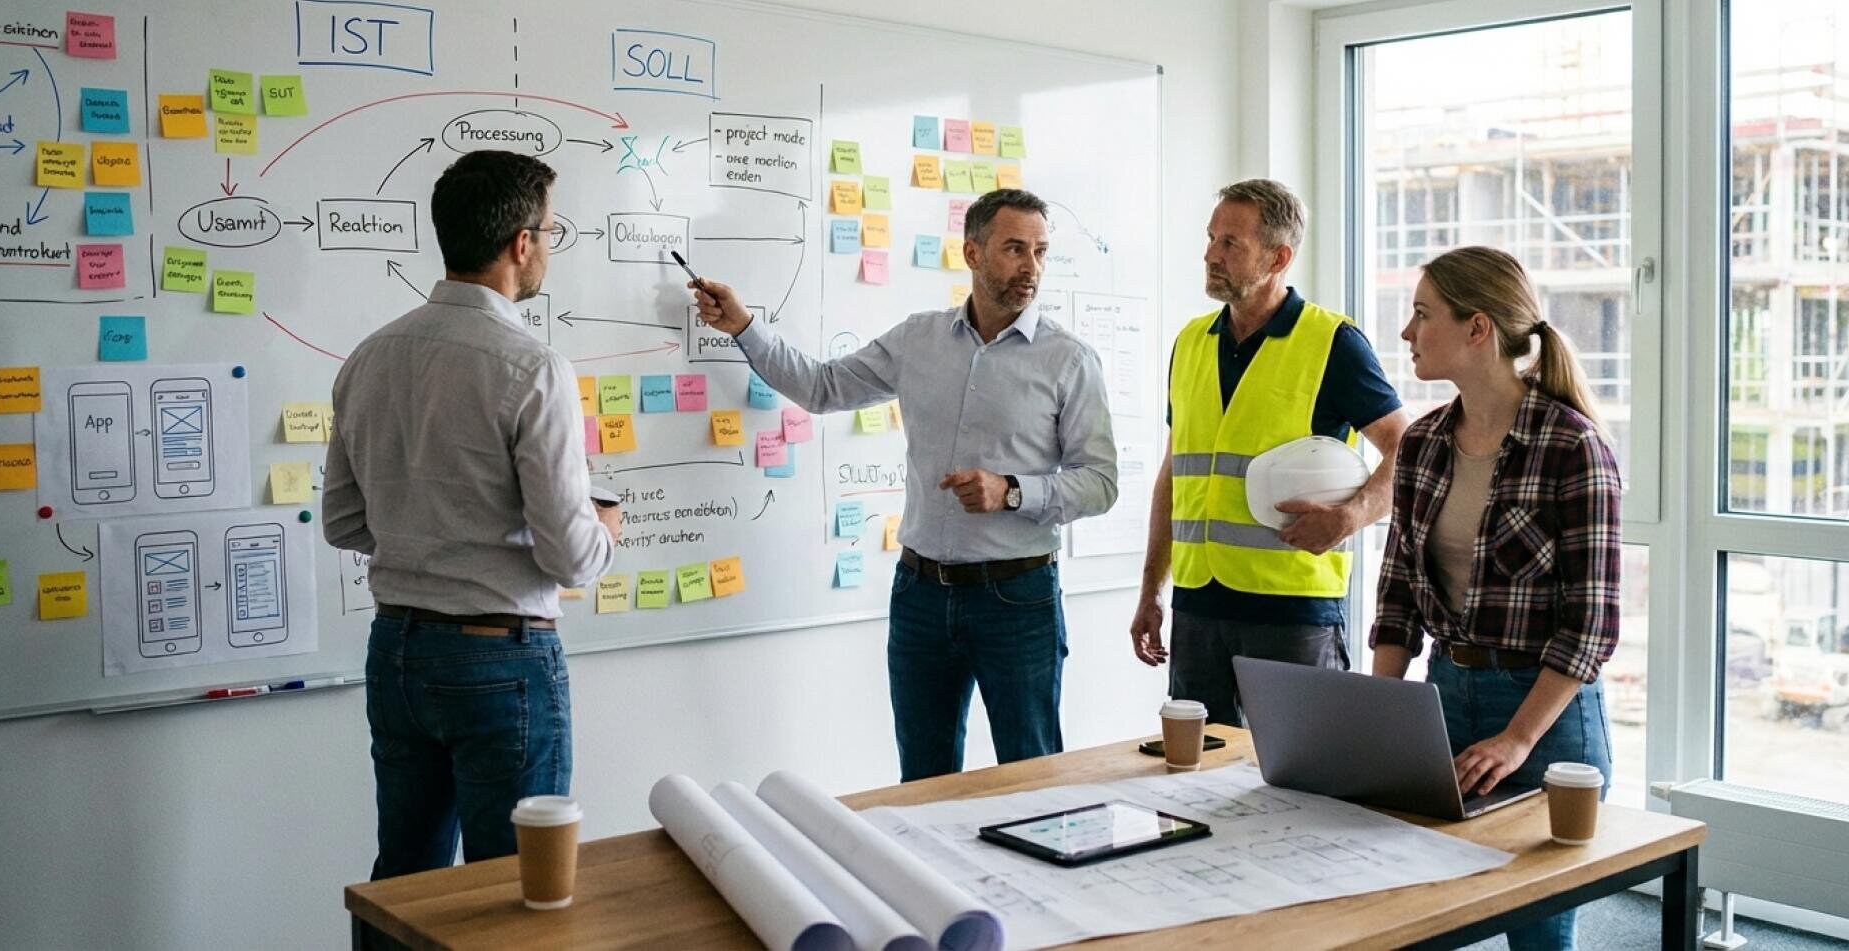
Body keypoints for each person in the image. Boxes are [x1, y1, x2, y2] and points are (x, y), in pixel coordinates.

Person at [690, 188, 1118, 781]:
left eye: (1041, 251)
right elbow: (822, 388)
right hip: (920, 593)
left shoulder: (1069, 359)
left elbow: (1100, 483)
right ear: (972, 251)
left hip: (1017, 599)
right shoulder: (918, 340)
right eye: (1015, 248)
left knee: (1031, 774)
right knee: (923, 780)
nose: (1032, 267)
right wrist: (742, 325)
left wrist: (1013, 490)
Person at [324, 150, 621, 880]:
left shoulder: (369, 356)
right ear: (521, 243)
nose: (548, 245)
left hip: (396, 650)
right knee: (519, 889)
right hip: (500, 659)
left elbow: (342, 522)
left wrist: (425, 528)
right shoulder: (532, 365)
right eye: (550, 231)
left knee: (409, 885)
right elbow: (570, 557)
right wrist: (604, 528)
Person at [1371, 245, 1620, 951]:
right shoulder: (1421, 443)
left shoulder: (1572, 446)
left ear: (1477, 328)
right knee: (1421, 914)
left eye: (1422, 314)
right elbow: (1397, 596)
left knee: (1537, 935)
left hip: (1547, 717)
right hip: (1444, 696)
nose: (1407, 332)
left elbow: (1591, 628)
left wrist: (1517, 737)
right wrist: (1378, 717)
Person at [1130, 180, 1409, 724]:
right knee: (1193, 781)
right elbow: (1174, 474)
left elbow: (1411, 450)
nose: (1210, 254)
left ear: (1279, 257)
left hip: (1292, 615)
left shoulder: (1333, 343)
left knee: (1301, 781)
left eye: (1230, 243)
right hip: (1198, 607)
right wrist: (1151, 591)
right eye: (1211, 238)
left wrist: (1350, 516)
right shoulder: (1190, 342)